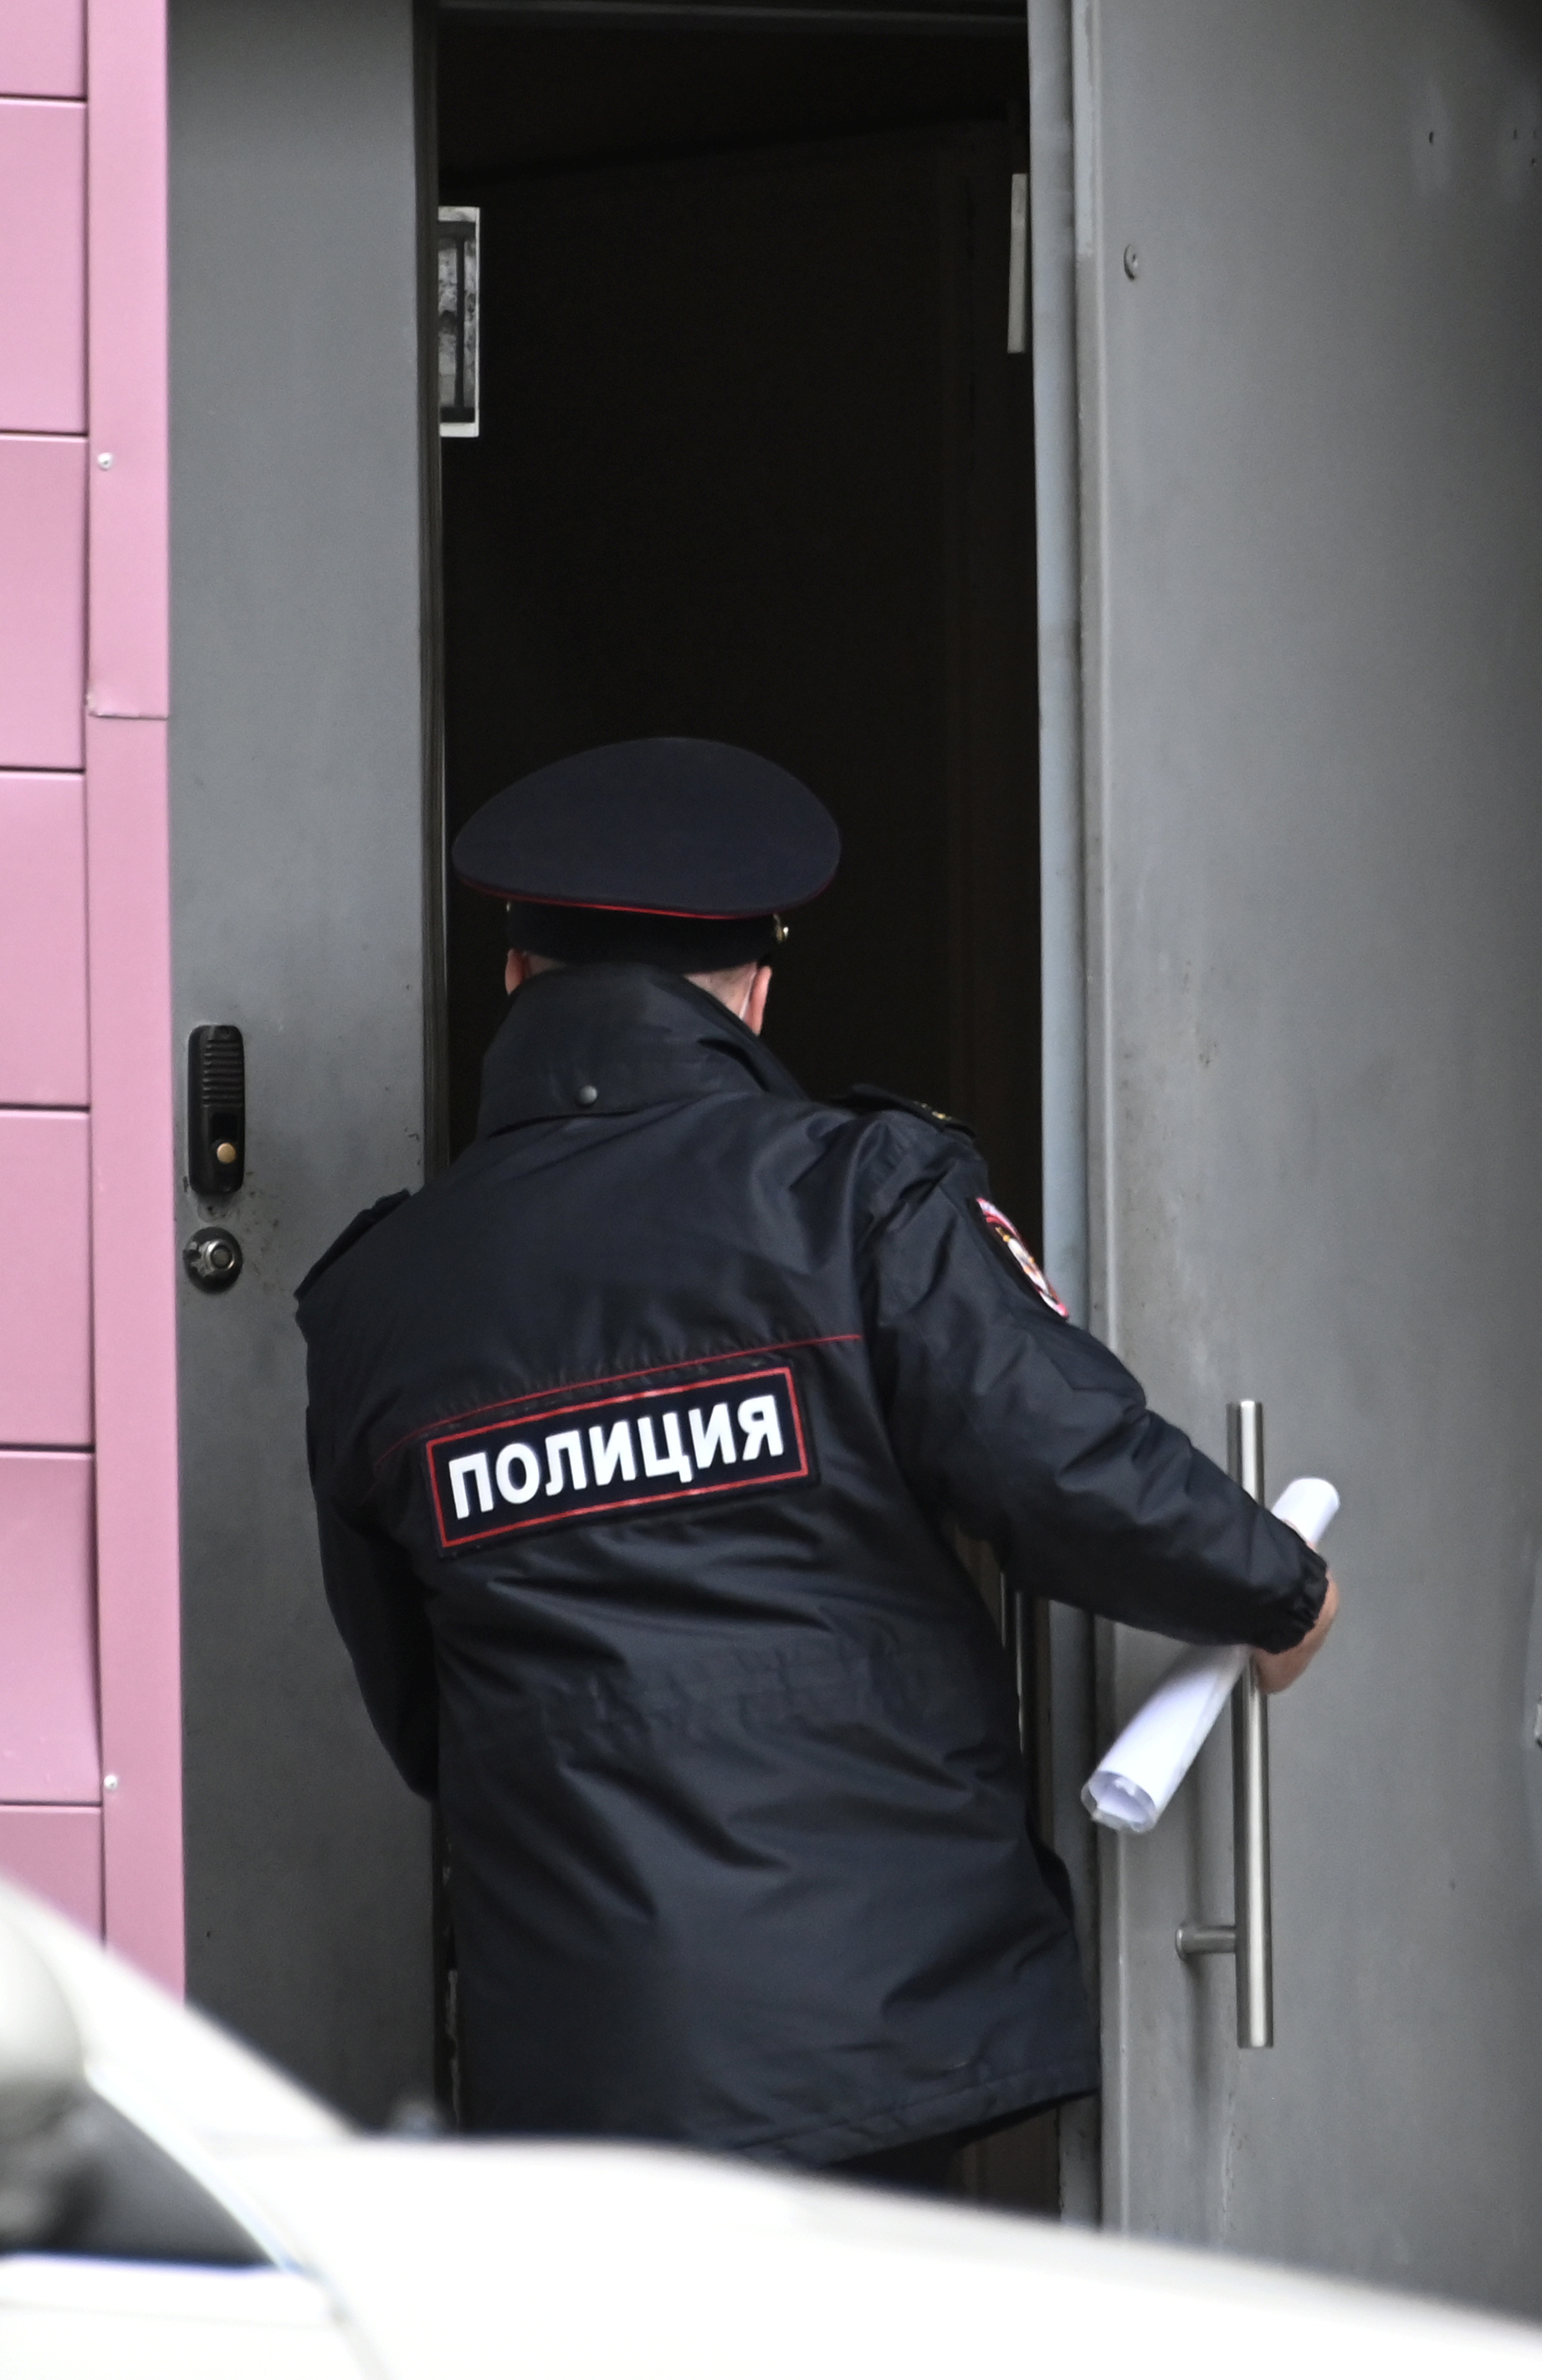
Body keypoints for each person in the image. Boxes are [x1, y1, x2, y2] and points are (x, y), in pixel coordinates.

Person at [297, 736, 1339, 2186]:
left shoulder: (377, 1300)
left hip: (579, 2060)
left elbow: (424, 1717)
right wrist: (1277, 1589)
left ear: (519, 977)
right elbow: (1064, 1467)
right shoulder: (856, 1196)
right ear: (755, 989)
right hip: (873, 2032)